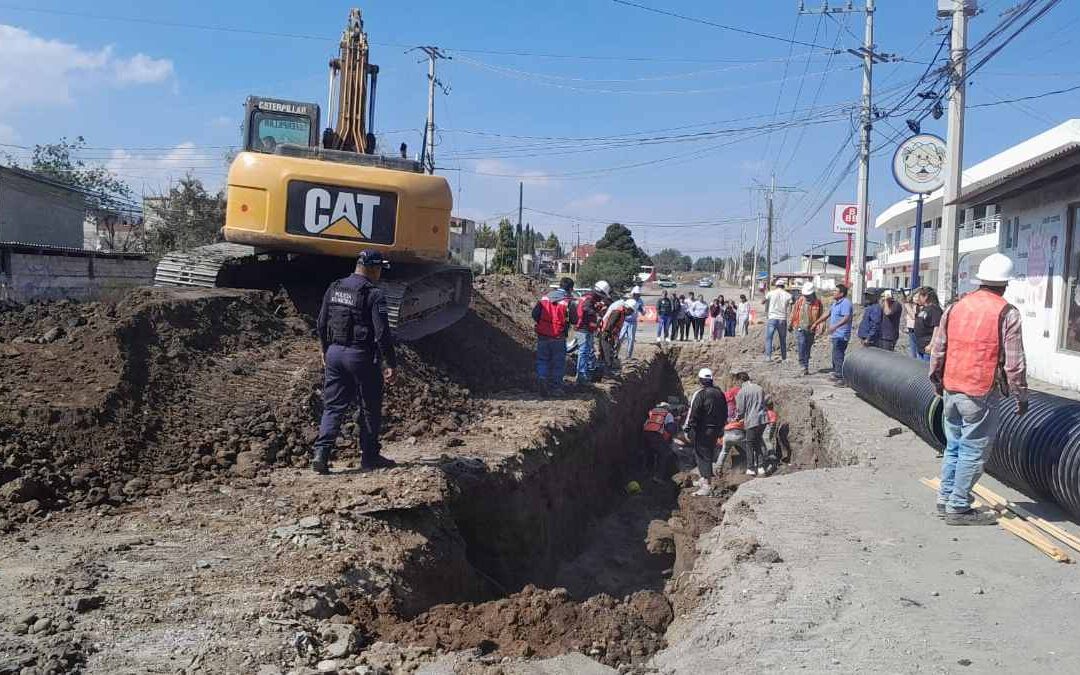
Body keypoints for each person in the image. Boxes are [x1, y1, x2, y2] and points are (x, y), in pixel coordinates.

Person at [929, 253, 1029, 526]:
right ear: (1005, 284)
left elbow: (938, 349)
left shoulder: (955, 307)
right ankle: (958, 507)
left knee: (954, 445)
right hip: (980, 391)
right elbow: (1014, 363)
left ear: (981, 280)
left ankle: (945, 497)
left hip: (952, 387)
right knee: (973, 450)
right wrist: (1021, 396)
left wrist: (937, 381)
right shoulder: (1007, 313)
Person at [312, 249, 398, 475]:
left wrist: (324, 350)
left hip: (334, 353)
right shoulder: (374, 294)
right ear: (372, 268)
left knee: (333, 406)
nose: (380, 272)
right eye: (379, 268)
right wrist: (390, 363)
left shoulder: (335, 287)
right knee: (370, 407)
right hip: (360, 357)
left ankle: (321, 454)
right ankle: (370, 457)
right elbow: (382, 333)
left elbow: (321, 323)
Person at [683, 368, 727, 496]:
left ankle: (707, 485)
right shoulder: (720, 394)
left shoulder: (700, 394)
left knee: (704, 455)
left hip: (703, 430)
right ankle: (703, 478)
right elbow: (725, 412)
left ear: (700, 380)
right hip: (715, 429)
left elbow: (693, 412)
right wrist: (721, 428)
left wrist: (687, 428)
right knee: (702, 452)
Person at [531, 277, 574, 396]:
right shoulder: (568, 301)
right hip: (558, 337)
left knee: (542, 360)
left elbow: (534, 314)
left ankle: (542, 378)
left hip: (543, 336)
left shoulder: (545, 298)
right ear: (570, 289)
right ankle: (555, 388)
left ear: (559, 285)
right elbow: (574, 319)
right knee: (558, 362)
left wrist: (543, 323)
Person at [574, 280, 610, 386]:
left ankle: (586, 374)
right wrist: (597, 313)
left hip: (587, 329)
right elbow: (586, 309)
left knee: (588, 352)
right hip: (584, 329)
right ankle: (581, 377)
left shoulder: (590, 298)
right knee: (584, 353)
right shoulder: (589, 299)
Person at [814, 284, 853, 383]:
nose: (833, 293)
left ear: (841, 293)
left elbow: (846, 317)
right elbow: (827, 314)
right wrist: (816, 323)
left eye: (836, 291)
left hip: (842, 334)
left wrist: (835, 326)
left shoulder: (846, 303)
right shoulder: (835, 303)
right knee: (835, 354)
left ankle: (841, 376)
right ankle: (837, 373)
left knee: (838, 355)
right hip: (836, 334)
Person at [733, 371, 767, 476]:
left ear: (740, 380)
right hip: (762, 420)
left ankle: (751, 468)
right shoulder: (759, 388)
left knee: (749, 444)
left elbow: (741, 410)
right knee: (757, 442)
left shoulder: (742, 392)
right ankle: (761, 467)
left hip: (752, 421)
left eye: (736, 382)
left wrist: (737, 418)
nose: (736, 384)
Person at [790, 282, 823, 376]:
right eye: (805, 295)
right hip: (799, 327)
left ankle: (806, 366)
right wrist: (790, 324)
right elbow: (794, 312)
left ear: (812, 294)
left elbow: (821, 316)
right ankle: (802, 365)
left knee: (808, 347)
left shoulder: (818, 303)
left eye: (808, 295)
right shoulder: (800, 301)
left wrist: (820, 326)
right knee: (802, 344)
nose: (806, 297)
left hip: (811, 329)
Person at [642, 401, 679, 482]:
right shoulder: (668, 414)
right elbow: (670, 428)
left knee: (649, 453)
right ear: (667, 408)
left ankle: (646, 473)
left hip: (645, 434)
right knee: (663, 454)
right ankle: (658, 477)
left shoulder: (652, 411)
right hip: (657, 435)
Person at [600, 300, 636, 372]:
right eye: (631, 312)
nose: (630, 314)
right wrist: (608, 334)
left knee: (610, 352)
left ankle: (606, 369)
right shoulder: (617, 312)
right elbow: (610, 324)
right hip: (606, 334)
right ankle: (607, 370)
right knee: (607, 352)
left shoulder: (622, 313)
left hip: (611, 335)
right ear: (627, 308)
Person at [763, 280, 793, 362]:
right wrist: (790, 318)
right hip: (782, 319)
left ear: (776, 286)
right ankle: (784, 357)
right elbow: (790, 307)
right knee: (782, 339)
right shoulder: (788, 295)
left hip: (772, 317)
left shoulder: (771, 293)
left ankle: (768, 357)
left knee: (769, 338)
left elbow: (763, 301)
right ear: (783, 286)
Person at [913, 286, 942, 362]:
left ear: (925, 297)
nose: (918, 298)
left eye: (920, 296)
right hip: (921, 346)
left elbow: (937, 327)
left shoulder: (935, 309)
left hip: (928, 347)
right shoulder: (924, 308)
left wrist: (931, 344)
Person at [619, 287, 646, 359]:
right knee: (620, 337)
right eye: (637, 294)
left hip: (633, 322)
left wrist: (642, 309)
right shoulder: (628, 299)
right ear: (633, 294)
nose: (638, 296)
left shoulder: (640, 301)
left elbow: (643, 312)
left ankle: (628, 355)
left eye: (639, 295)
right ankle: (615, 353)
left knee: (631, 339)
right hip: (625, 321)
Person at [762, 400, 779, 473]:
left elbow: (765, 421)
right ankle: (769, 453)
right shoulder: (773, 412)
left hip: (770, 425)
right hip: (773, 425)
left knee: (766, 439)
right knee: (767, 439)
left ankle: (771, 454)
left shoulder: (767, 413)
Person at [902, 290, 919, 358]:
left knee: (916, 351)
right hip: (910, 330)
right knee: (912, 351)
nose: (917, 298)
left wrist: (906, 304)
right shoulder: (911, 305)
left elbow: (913, 316)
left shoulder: (919, 307)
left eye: (918, 297)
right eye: (915, 296)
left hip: (916, 330)